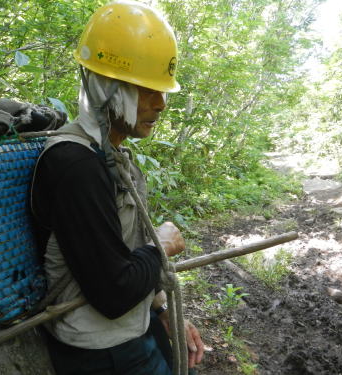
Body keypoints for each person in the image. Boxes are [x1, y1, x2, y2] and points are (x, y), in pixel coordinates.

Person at [30, 1, 204, 374]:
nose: (161, 105)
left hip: (131, 329)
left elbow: (121, 256)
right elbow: (113, 292)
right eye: (146, 90)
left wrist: (161, 310)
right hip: (102, 351)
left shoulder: (110, 157)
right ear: (107, 87)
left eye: (162, 92)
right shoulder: (78, 166)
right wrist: (163, 244)